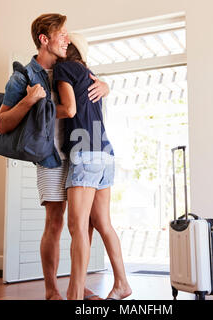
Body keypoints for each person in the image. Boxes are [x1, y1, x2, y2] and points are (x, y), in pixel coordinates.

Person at [0, 14, 110, 300]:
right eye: (62, 34)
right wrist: (29, 100)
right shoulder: (23, 76)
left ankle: (78, 285)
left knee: (84, 223)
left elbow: (94, 89)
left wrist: (107, 86)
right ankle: (51, 291)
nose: (67, 39)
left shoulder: (71, 67)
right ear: (44, 40)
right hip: (51, 157)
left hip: (81, 152)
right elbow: (2, 124)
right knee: (55, 223)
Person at [53, 33, 132, 300]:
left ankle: (75, 296)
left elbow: (70, 109)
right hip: (105, 153)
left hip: (84, 153)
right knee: (102, 223)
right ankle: (121, 283)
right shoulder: (90, 74)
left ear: (69, 49)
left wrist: (39, 109)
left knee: (76, 226)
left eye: (64, 43)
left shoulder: (63, 68)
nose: (60, 45)